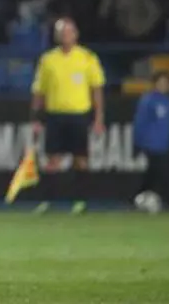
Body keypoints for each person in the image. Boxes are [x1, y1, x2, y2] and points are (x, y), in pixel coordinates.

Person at [30, 17, 106, 214]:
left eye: (69, 32)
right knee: (52, 160)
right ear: (56, 36)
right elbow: (39, 91)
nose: (66, 35)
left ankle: (79, 201)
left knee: (80, 159)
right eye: (62, 32)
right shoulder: (48, 60)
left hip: (79, 115)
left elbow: (96, 90)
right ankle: (46, 201)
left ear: (76, 34)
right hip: (55, 115)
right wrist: (36, 118)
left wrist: (98, 118)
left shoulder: (87, 58)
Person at [132, 71, 169, 211]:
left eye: (166, 83)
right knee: (162, 173)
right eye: (160, 82)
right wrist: (138, 143)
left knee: (152, 174)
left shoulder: (168, 101)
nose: (163, 85)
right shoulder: (148, 100)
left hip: (164, 144)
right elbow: (140, 122)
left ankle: (138, 199)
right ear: (155, 84)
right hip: (151, 144)